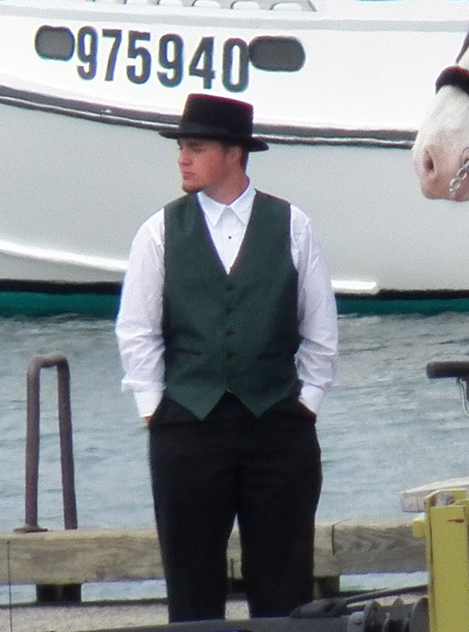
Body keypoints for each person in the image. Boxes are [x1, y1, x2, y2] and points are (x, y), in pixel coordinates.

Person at [115, 93, 338, 622]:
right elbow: (137, 330)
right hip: (187, 429)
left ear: (234, 153)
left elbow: (320, 327)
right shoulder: (160, 231)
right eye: (182, 147)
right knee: (191, 583)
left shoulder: (292, 225)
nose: (182, 158)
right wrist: (155, 409)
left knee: (285, 581)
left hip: (278, 428)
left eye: (195, 147)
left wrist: (306, 401)